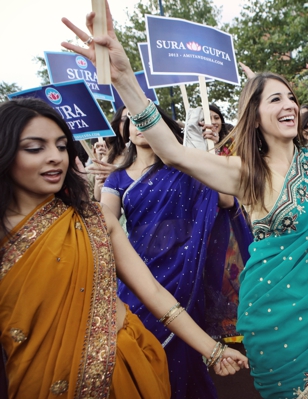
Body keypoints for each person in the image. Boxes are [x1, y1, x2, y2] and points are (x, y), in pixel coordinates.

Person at [62, 1, 308, 397]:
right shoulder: (242, 172)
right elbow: (173, 151)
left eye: (291, 97)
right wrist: (123, 78)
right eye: (275, 100)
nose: (289, 105)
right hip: (273, 317)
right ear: (253, 116)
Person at [0, 98, 248, 398]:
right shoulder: (115, 182)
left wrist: (214, 350)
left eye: (62, 146)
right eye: (35, 148)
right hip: (35, 378)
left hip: (126, 368)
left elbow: (156, 295)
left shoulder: (93, 220)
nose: (55, 157)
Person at [101, 105, 253, 399]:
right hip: (140, 276)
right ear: (125, 131)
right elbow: (104, 227)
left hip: (187, 272)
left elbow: (224, 200)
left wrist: (203, 159)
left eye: (145, 120)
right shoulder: (116, 178)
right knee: (142, 347)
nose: (138, 126)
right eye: (131, 121)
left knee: (184, 353)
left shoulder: (183, 168)